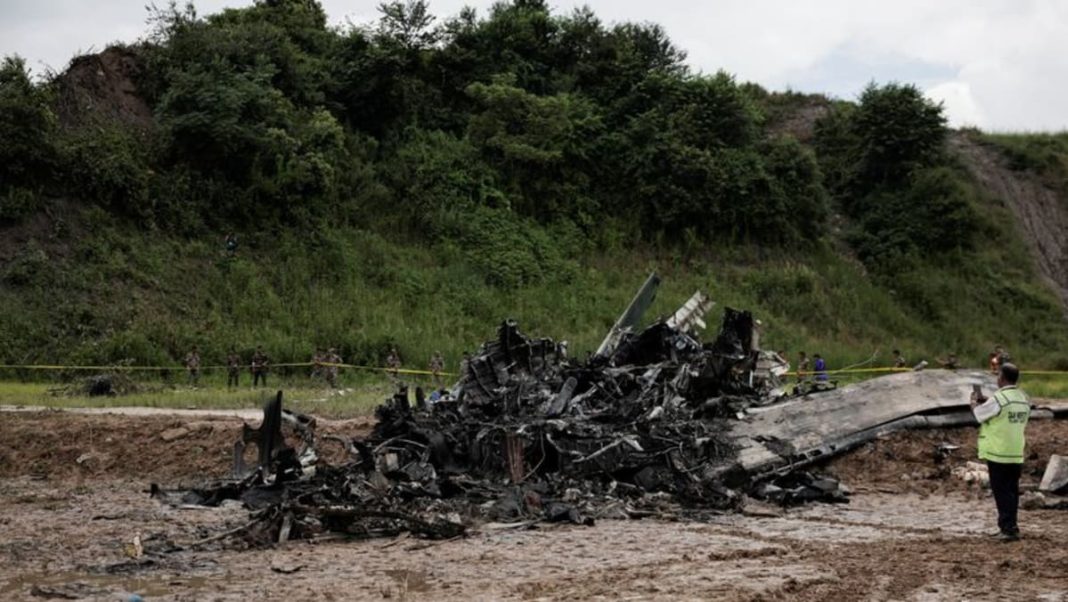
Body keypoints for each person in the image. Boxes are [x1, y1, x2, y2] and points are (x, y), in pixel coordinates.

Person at [971, 362, 1030, 542]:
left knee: (1001, 492)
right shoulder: (1022, 397)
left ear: (1002, 378)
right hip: (1016, 452)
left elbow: (980, 415)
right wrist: (988, 401)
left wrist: (973, 403)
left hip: (999, 452)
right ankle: (1012, 526)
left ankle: (1007, 529)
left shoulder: (999, 398)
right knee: (1012, 491)